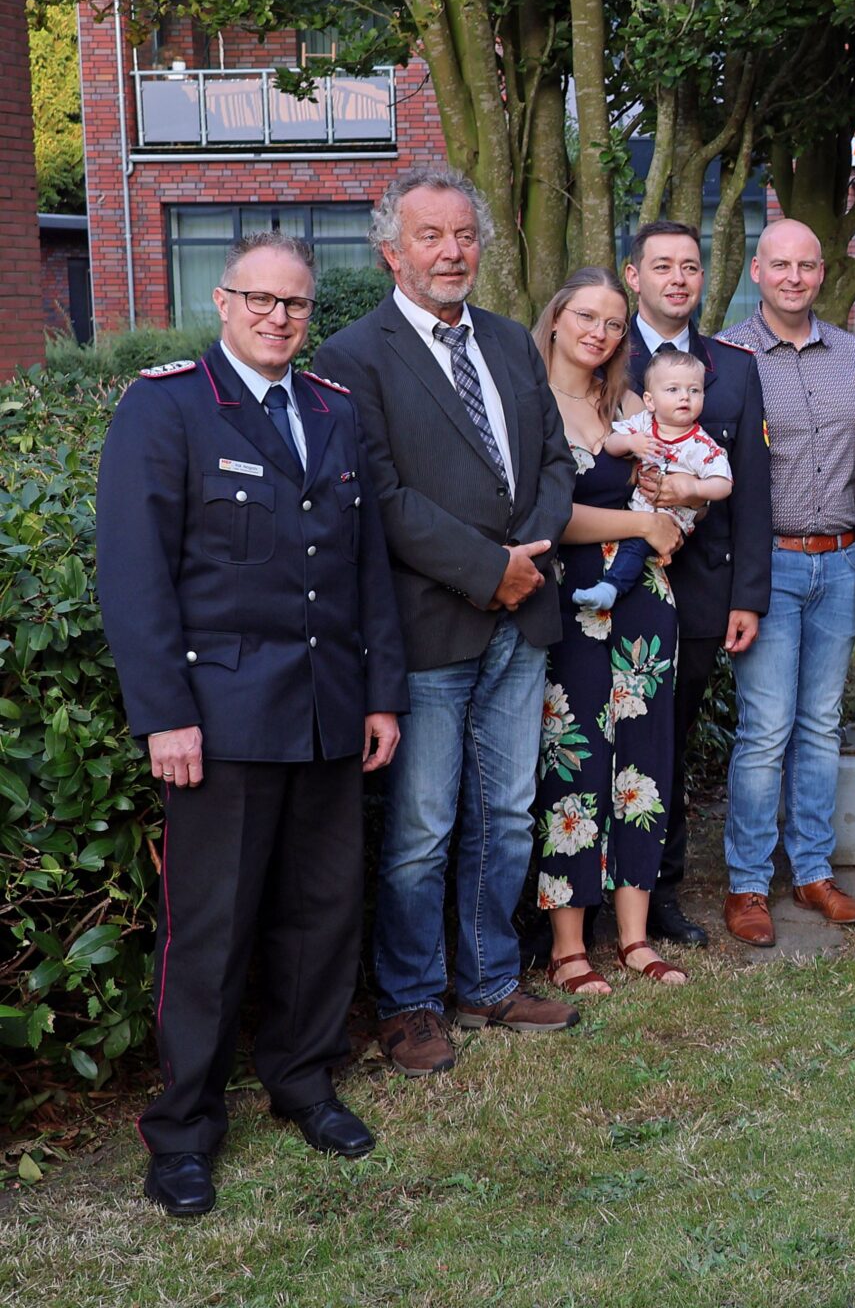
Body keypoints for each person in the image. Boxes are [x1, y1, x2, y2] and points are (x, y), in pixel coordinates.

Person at [97, 234, 407, 1217]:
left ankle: (304, 1084)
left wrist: (380, 694)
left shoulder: (333, 412)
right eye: (261, 300)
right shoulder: (168, 406)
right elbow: (136, 577)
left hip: (324, 709)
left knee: (323, 914)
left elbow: (367, 573)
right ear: (223, 302)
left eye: (297, 305)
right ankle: (183, 1129)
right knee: (213, 932)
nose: (279, 318)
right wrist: (164, 717)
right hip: (220, 719)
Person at [311, 166, 579, 1077]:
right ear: (393, 250)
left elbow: (553, 463)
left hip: (522, 615)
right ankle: (411, 999)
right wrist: (484, 570)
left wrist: (525, 561)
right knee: (422, 825)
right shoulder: (353, 356)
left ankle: (490, 980)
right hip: (428, 626)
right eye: (431, 236)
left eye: (464, 234)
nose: (453, 251)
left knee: (505, 815)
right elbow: (379, 497)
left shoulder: (510, 341)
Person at [529, 269, 690, 993]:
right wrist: (640, 521)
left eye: (614, 323)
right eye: (587, 316)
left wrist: (674, 511)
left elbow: (674, 488)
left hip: (645, 608)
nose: (600, 332)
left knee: (644, 765)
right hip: (573, 607)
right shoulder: (529, 403)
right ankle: (569, 944)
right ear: (557, 319)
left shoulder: (627, 403)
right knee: (576, 762)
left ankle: (632, 936)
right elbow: (548, 516)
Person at [714, 219, 855, 945]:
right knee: (766, 728)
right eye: (781, 265)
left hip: (841, 559)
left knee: (820, 724)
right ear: (756, 269)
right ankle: (747, 883)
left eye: (807, 266)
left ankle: (811, 872)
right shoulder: (727, 358)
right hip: (767, 564)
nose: (795, 278)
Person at [622, 219, 770, 948]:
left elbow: (752, 495)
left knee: (668, 746)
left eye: (690, 266)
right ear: (632, 275)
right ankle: (586, 897)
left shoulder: (735, 369)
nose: (678, 278)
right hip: (610, 588)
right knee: (601, 737)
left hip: (704, 592)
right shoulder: (598, 352)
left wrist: (749, 594)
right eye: (662, 266)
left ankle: (661, 893)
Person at [573, 347, 732, 612]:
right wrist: (630, 442)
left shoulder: (701, 444)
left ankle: (610, 588)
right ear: (650, 400)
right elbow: (610, 444)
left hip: (671, 519)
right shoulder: (644, 423)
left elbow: (724, 483)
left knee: (637, 546)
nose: (685, 397)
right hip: (635, 509)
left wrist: (695, 487)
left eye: (694, 391)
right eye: (673, 390)